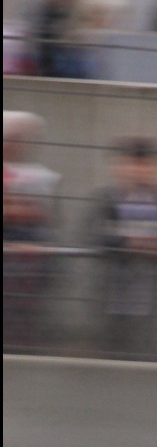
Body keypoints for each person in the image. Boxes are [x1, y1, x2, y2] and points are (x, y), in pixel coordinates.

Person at [84, 138, 157, 357]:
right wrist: (126, 243)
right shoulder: (106, 198)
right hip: (113, 286)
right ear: (118, 168)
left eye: (145, 164)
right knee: (113, 347)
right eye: (130, 164)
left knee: (152, 349)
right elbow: (90, 234)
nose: (137, 171)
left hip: (156, 288)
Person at [3, 111, 61, 352]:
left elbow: (47, 218)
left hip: (26, 264)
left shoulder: (38, 175)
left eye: (18, 138)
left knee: (24, 316)